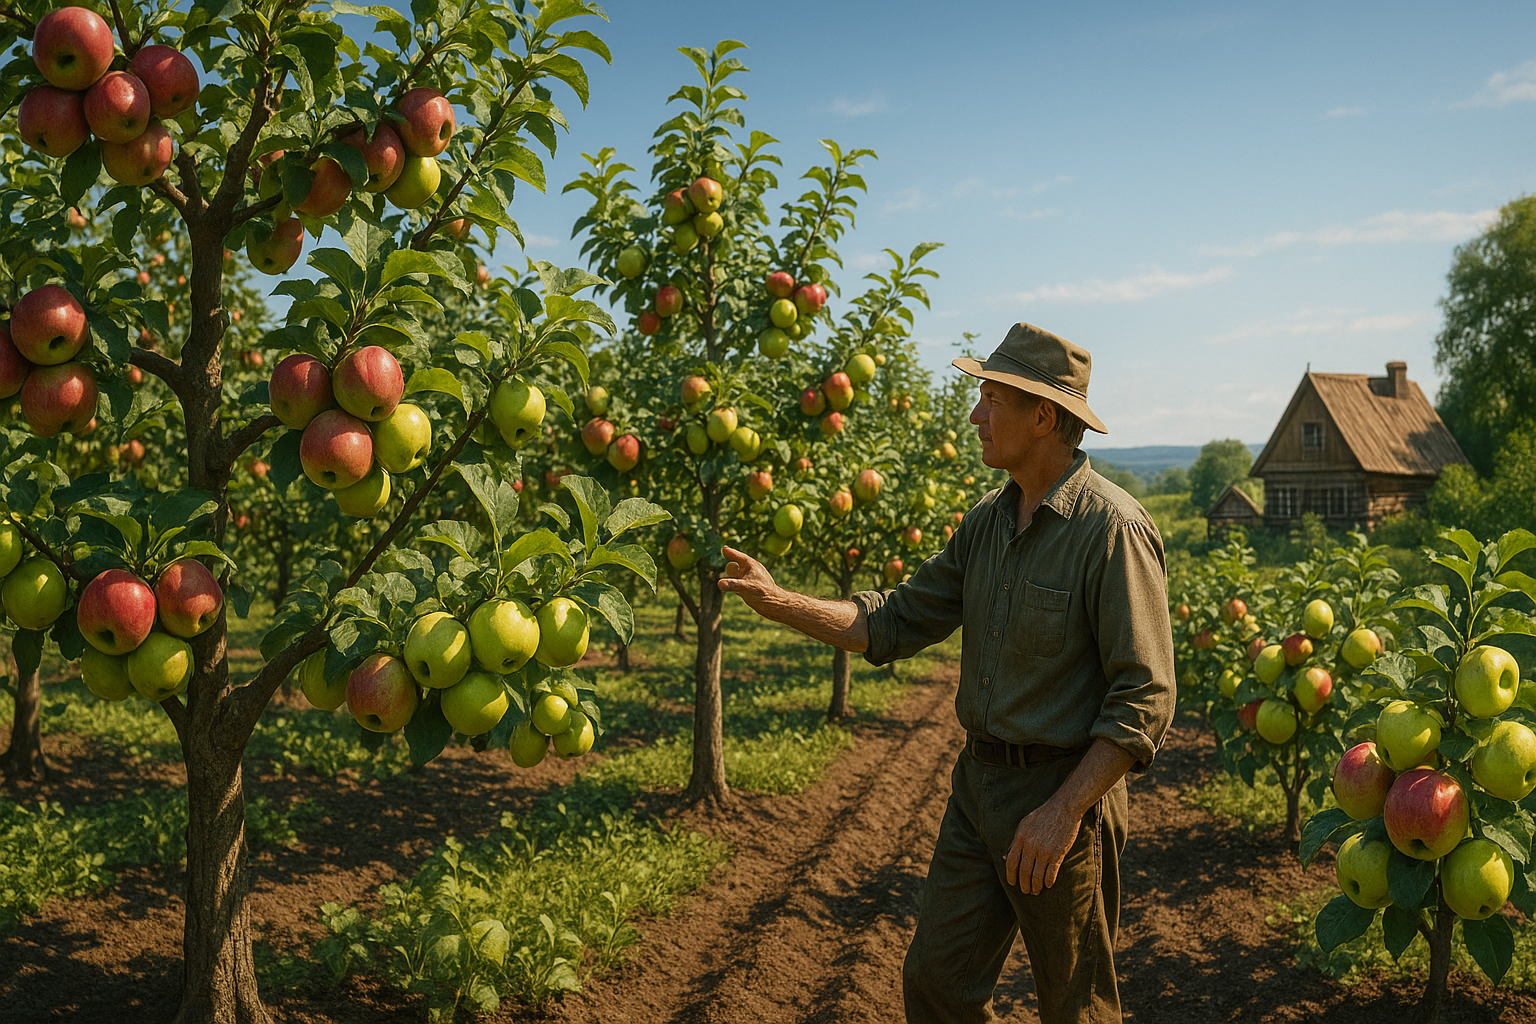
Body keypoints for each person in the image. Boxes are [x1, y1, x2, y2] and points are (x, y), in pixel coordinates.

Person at [717, 321, 1176, 1024]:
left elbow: (1146, 695)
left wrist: (1062, 812)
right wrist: (780, 602)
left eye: (992, 398)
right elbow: (894, 619)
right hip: (978, 790)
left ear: (1043, 415)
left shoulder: (1110, 530)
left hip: (1062, 799)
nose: (975, 415)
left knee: (1076, 1007)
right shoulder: (987, 523)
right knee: (937, 987)